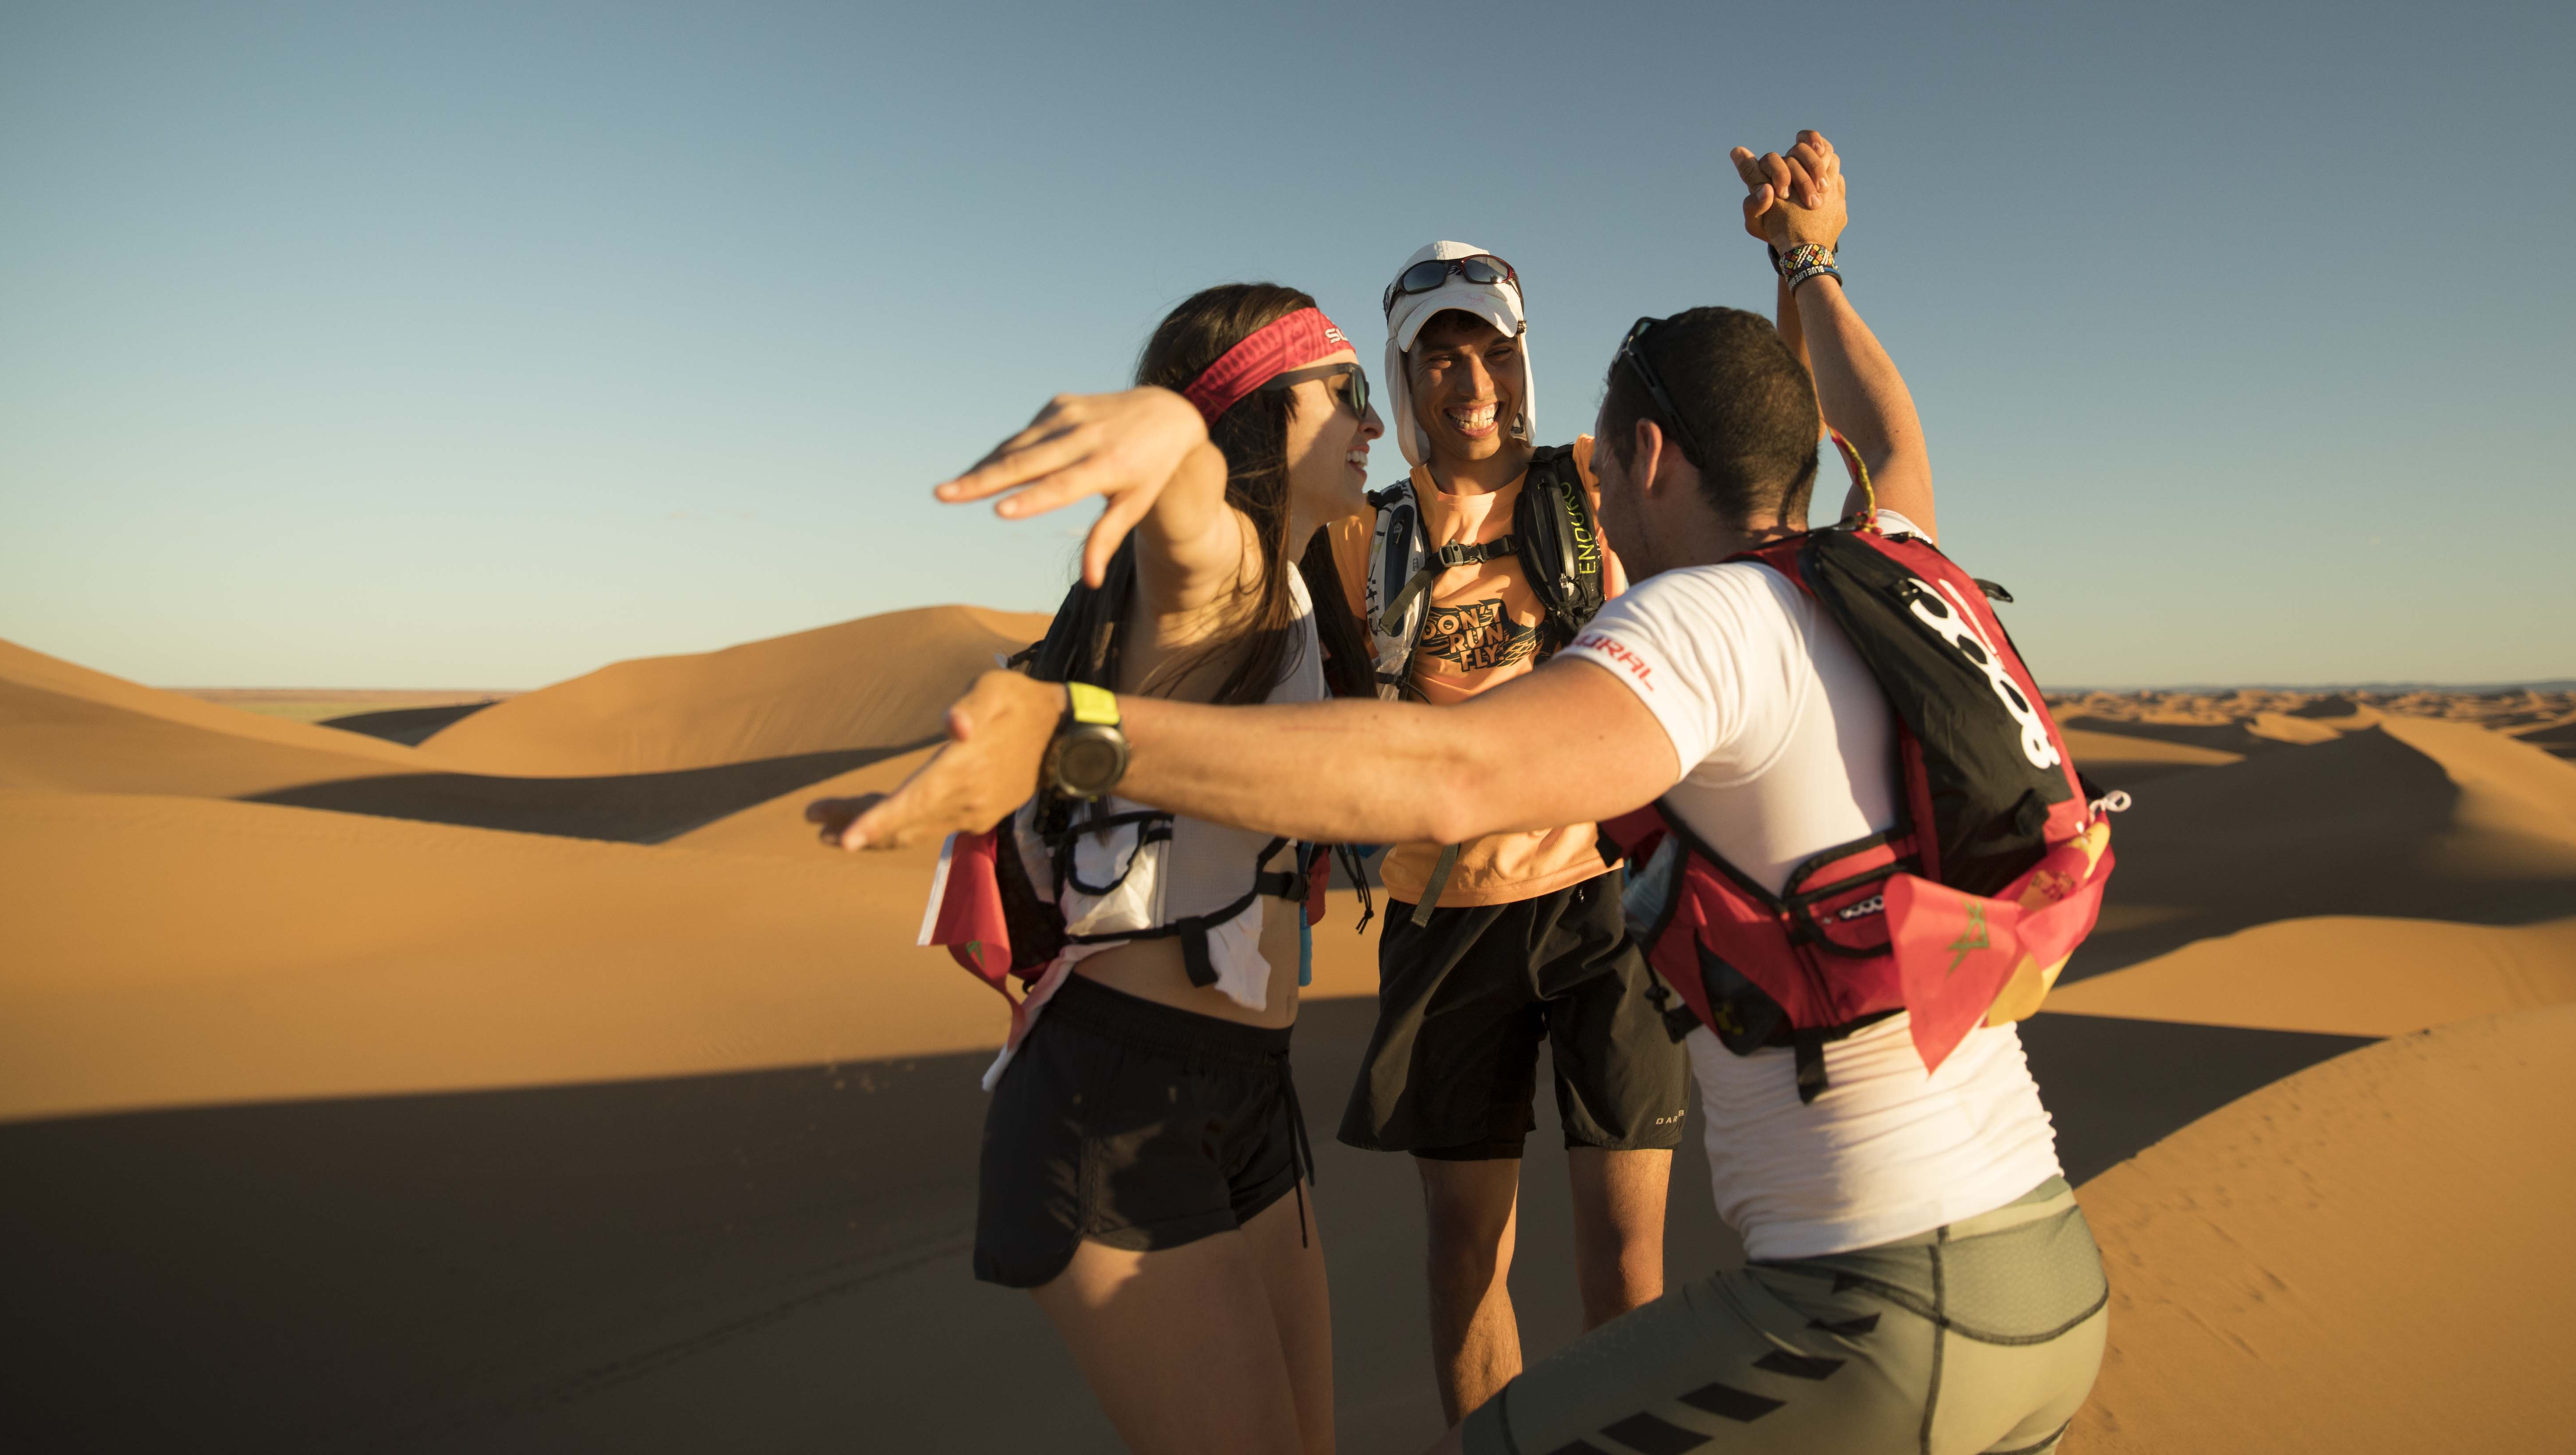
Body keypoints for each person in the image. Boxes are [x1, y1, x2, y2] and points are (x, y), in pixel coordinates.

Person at [841, 136, 2115, 1455]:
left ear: (1643, 456)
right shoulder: (1894, 558)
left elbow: (1449, 774)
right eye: (1392, 376)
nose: (1584, 476)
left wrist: (1084, 735)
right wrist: (1810, 264)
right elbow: (1878, 433)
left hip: (1864, 1296)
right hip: (2045, 1272)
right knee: (1460, 1272)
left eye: (1603, 456)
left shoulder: (1699, 621)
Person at [815, 283, 1383, 1455]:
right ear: (1256, 413)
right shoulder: (1219, 576)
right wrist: (1172, 432)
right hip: (1119, 1102)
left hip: (1246, 1094)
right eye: (1343, 391)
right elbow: (1189, 509)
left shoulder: (1294, 585)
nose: (1369, 420)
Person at [1337, 242, 1687, 1425]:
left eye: (1492, 350)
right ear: (1403, 376)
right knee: (1465, 1252)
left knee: (1627, 1256)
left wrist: (1803, 270)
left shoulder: (1593, 483)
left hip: (1607, 900)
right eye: (1441, 356)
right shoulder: (1363, 536)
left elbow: (1757, 471)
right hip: (1442, 917)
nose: (1472, 381)